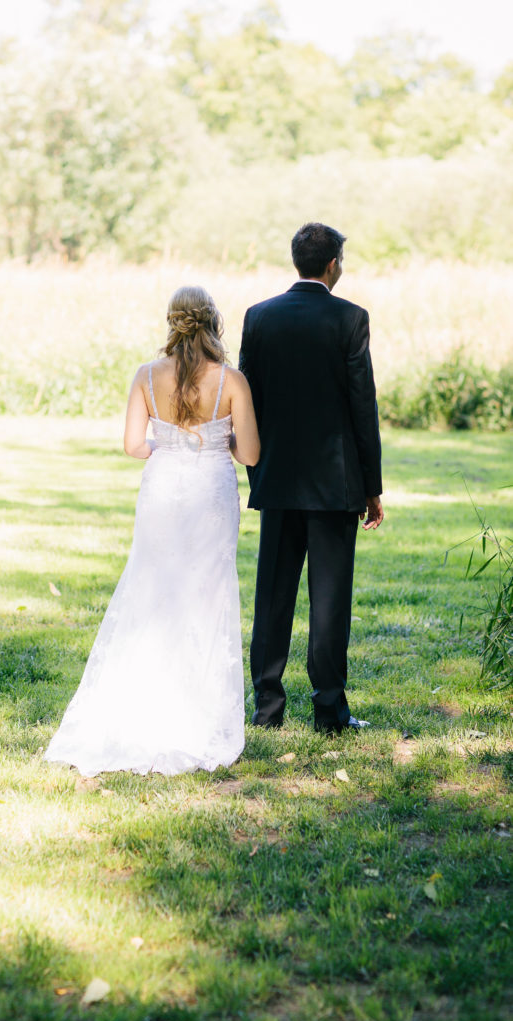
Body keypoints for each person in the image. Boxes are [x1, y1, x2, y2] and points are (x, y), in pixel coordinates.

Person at [45, 285, 260, 776]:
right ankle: (195, 711)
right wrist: (210, 444)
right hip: (210, 494)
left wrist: (168, 450)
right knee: (205, 593)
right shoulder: (233, 381)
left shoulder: (146, 375)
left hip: (162, 490)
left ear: (172, 322)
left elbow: (132, 445)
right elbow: (249, 455)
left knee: (152, 588)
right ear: (213, 323)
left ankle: (141, 702)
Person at [238, 222, 383, 736]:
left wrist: (257, 469)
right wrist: (372, 488)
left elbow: (246, 402)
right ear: (332, 264)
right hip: (334, 486)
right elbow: (362, 406)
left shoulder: (259, 318)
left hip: (276, 481)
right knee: (330, 602)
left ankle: (267, 709)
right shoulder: (350, 318)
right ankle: (329, 713)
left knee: (272, 598)